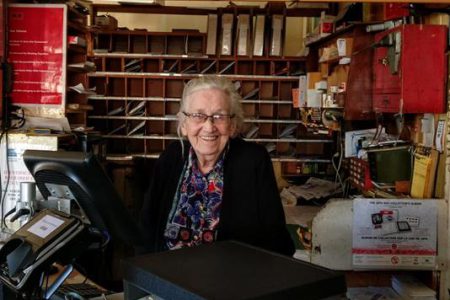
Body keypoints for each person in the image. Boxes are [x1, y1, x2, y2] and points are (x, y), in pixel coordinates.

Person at [140, 76, 295, 256]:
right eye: (198, 115)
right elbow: (146, 229)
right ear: (184, 125)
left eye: (219, 116)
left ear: (232, 125)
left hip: (230, 280)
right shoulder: (171, 157)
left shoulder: (254, 161)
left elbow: (276, 242)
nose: (209, 126)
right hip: (168, 277)